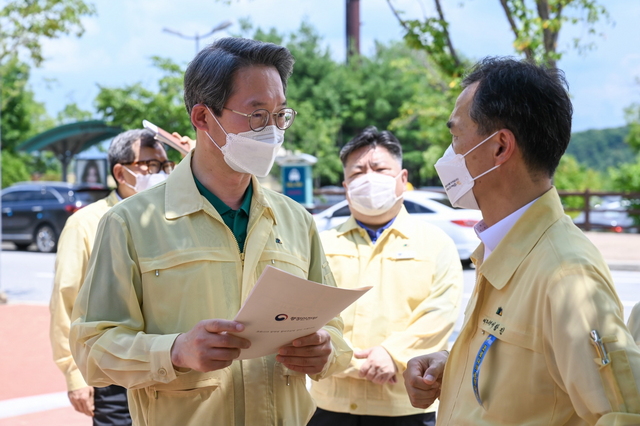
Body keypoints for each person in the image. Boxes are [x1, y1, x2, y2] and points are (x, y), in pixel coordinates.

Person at [70, 37, 351, 426]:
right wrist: (175, 351)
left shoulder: (295, 219)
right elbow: (92, 349)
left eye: (280, 114)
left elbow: (334, 330)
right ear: (203, 118)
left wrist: (326, 350)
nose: (271, 131)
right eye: (256, 115)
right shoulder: (130, 223)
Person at [403, 57, 640, 425]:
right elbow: (535, 380)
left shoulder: (565, 274)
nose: (449, 152)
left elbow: (623, 414)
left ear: (499, 147)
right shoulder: (503, 248)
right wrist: (453, 368)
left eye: (455, 135)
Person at [308, 127, 463, 426]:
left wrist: (393, 354)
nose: (369, 178)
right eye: (358, 172)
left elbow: (441, 312)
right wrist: (350, 360)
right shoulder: (322, 243)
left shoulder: (435, 242)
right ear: (345, 185)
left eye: (379, 169)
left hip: (406, 406)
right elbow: (309, 312)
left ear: (402, 179)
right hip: (328, 405)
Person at [50, 128, 175, 425]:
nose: (161, 173)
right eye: (151, 165)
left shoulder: (174, 220)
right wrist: (74, 374)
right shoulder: (85, 223)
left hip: (171, 367)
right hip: (114, 373)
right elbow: (66, 301)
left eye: (166, 166)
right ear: (121, 172)